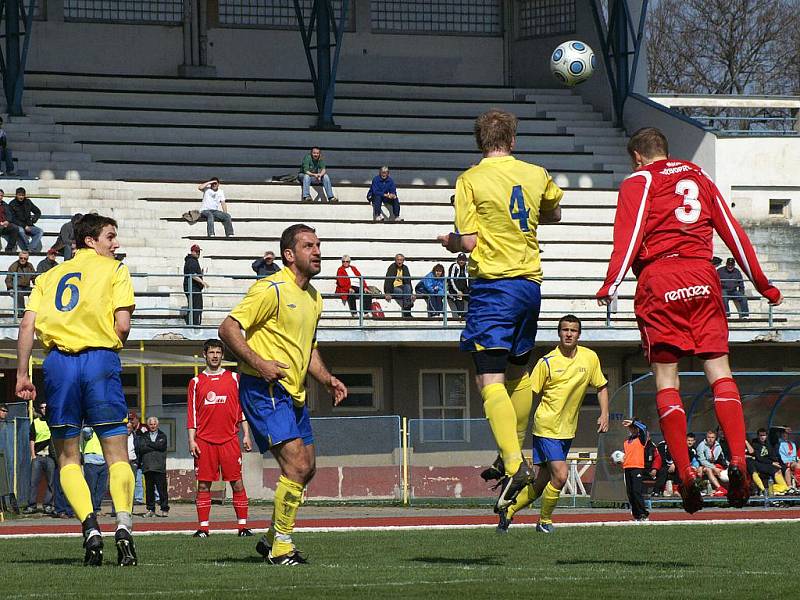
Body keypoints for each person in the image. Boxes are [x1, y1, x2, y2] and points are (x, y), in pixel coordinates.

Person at [595, 127, 783, 514]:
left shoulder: (638, 180)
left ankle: (683, 473)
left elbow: (628, 238)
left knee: (667, 379)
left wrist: (611, 282)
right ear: (666, 149)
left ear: (636, 157)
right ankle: (739, 462)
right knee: (720, 373)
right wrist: (763, 285)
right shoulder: (698, 176)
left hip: (660, 280)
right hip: (703, 277)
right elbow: (732, 232)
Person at [437, 109, 563, 512]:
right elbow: (555, 213)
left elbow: (470, 242)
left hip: (495, 287)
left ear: (479, 141)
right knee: (520, 371)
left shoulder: (470, 180)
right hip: (530, 285)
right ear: (513, 139)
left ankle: (513, 462)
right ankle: (511, 450)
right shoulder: (536, 173)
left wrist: (449, 240)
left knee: (487, 378)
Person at [219, 223, 347, 565]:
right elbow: (228, 328)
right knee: (297, 464)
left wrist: (327, 379)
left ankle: (272, 537)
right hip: (264, 388)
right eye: (309, 246)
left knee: (309, 469)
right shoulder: (271, 288)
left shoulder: (314, 297)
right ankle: (282, 548)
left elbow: (308, 348)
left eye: (318, 245)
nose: (318, 251)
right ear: (289, 255)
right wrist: (259, 362)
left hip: (293, 392)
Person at [15, 213, 137, 565]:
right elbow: (123, 326)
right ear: (90, 241)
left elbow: (27, 325)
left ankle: (90, 527)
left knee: (68, 456)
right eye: (110, 236)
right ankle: (124, 526)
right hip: (99, 359)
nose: (115, 244)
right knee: (117, 454)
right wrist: (101, 347)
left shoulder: (48, 275)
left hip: (58, 365)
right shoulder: (115, 270)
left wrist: (23, 373)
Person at [495, 315, 608, 532]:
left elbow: (601, 386)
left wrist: (604, 414)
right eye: (565, 330)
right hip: (546, 426)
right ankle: (544, 522)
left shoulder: (590, 358)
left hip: (567, 429)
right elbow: (529, 395)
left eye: (573, 330)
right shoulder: (546, 362)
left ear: (579, 334)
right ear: (559, 333)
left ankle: (508, 510)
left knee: (541, 481)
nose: (568, 334)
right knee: (561, 474)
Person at [187, 338, 253, 537]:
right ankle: (203, 528)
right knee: (204, 484)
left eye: (218, 353)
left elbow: (241, 410)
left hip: (229, 440)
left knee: (237, 482)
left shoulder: (234, 379)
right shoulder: (196, 382)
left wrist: (246, 435)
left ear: (222, 355)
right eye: (211, 353)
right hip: (204, 442)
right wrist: (192, 440)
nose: (215, 356)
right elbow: (192, 415)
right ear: (205, 355)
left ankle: (242, 526)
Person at [23, 401, 56, 515]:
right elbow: (32, 439)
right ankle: (32, 505)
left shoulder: (53, 422)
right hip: (38, 456)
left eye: (46, 407)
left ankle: (48, 505)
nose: (44, 409)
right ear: (39, 410)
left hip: (50, 457)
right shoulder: (35, 422)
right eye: (42, 408)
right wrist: (33, 455)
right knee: (33, 482)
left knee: (51, 482)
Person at [620, 418, 651, 521]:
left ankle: (643, 514)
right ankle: (637, 515)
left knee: (637, 491)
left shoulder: (641, 439)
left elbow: (644, 428)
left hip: (637, 467)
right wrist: (620, 459)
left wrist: (634, 422)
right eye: (630, 428)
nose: (632, 429)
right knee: (630, 493)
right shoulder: (626, 441)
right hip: (627, 467)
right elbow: (625, 455)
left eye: (633, 427)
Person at [139, 416, 169, 518]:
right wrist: (154, 445)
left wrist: (149, 444)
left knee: (162, 490)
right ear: (148, 425)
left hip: (159, 467)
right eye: (151, 424)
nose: (153, 426)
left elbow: (161, 446)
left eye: (154, 424)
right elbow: (141, 448)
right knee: (149, 490)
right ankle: (151, 509)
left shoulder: (162, 435)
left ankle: (164, 509)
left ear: (157, 424)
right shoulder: (144, 436)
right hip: (147, 466)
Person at [751, 427, 790, 495]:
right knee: (778, 470)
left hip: (772, 461)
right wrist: (772, 463)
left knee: (787, 469)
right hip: (764, 463)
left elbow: (772, 430)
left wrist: (783, 429)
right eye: (761, 435)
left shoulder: (768, 443)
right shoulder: (755, 443)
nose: (763, 437)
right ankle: (775, 489)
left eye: (764, 435)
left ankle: (789, 488)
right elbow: (759, 458)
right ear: (758, 436)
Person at [81, 427, 108, 514]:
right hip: (91, 461)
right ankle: (90, 508)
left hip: (104, 461)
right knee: (91, 487)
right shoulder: (89, 429)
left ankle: (97, 508)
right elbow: (86, 431)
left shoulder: (105, 430)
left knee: (101, 488)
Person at [7, 187, 42, 252]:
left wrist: (34, 219)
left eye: (23, 195)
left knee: (40, 231)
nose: (21, 197)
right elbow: (12, 219)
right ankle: (29, 247)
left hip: (29, 225)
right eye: (19, 195)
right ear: (16, 195)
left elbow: (37, 211)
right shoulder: (12, 204)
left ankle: (29, 248)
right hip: (18, 225)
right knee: (20, 230)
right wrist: (24, 226)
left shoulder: (28, 202)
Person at [695, 430, 728, 497]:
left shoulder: (718, 445)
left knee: (727, 472)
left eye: (712, 437)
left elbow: (722, 458)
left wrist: (728, 465)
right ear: (706, 438)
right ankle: (719, 488)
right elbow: (702, 460)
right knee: (708, 469)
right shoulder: (701, 445)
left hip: (714, 465)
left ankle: (728, 490)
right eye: (709, 437)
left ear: (715, 438)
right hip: (702, 466)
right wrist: (714, 468)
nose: (710, 439)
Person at [383, 253, 415, 318]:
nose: (399, 262)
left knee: (407, 288)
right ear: (395, 260)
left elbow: (408, 281)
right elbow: (388, 281)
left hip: (403, 287)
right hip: (394, 287)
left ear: (403, 261)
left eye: (401, 260)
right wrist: (388, 293)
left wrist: (411, 293)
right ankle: (407, 311)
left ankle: (406, 308)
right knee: (404, 294)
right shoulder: (392, 267)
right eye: (398, 260)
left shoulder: (405, 268)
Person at [6, 250, 35, 318]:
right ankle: (21, 312)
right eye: (21, 258)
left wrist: (36, 285)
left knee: (35, 292)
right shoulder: (14, 266)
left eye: (25, 258)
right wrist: (10, 288)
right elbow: (8, 278)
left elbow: (34, 277)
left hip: (26, 286)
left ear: (27, 259)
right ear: (19, 257)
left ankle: (32, 311)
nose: (23, 259)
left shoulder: (29, 266)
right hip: (17, 286)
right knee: (19, 292)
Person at [183, 244, 206, 326]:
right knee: (196, 307)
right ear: (192, 251)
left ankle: (193, 324)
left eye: (199, 251)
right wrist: (203, 282)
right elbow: (192, 274)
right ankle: (193, 325)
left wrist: (201, 274)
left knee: (196, 307)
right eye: (196, 251)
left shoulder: (192, 260)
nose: (198, 253)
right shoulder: (191, 261)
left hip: (194, 287)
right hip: (193, 288)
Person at [446, 253, 470, 318]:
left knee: (472, 298)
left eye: (463, 260)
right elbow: (451, 279)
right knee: (459, 299)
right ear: (457, 260)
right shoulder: (454, 266)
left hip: (464, 288)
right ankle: (461, 316)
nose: (461, 261)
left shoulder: (467, 267)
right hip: (454, 289)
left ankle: (470, 315)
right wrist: (457, 291)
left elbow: (469, 279)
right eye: (460, 260)